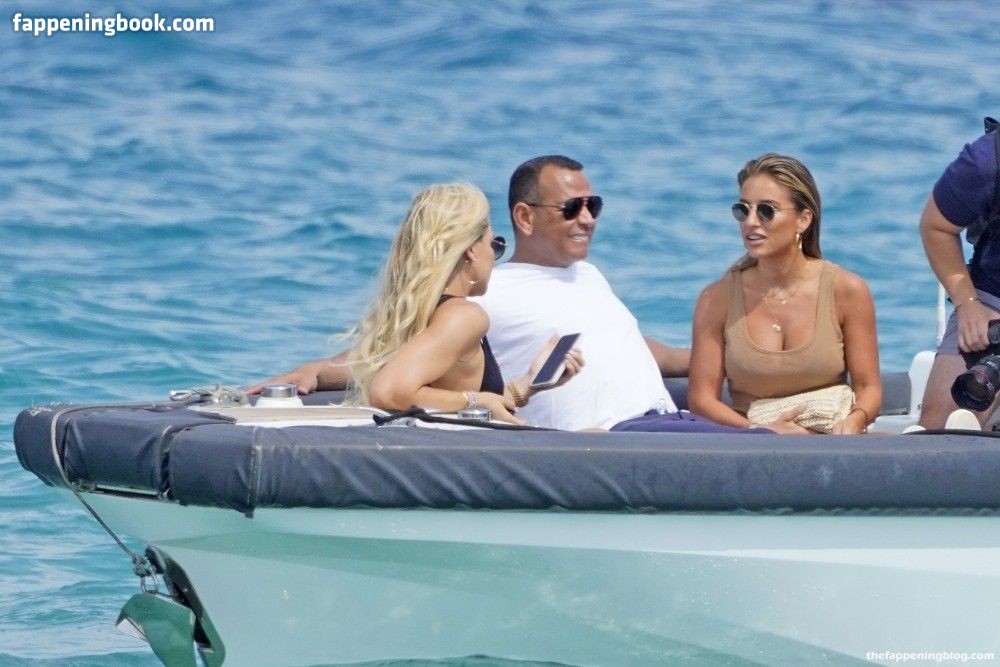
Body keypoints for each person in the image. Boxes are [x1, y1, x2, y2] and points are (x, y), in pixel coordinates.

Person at [472, 155, 764, 433]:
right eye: (572, 208)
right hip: (611, 436)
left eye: (593, 206)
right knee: (767, 443)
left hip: (664, 420)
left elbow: (623, 342)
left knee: (776, 435)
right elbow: (452, 376)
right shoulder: (489, 292)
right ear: (525, 217)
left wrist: (722, 358)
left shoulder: (587, 274)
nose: (588, 219)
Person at [264, 182, 583, 424]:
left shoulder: (418, 313)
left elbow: (387, 369)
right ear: (471, 251)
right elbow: (389, 391)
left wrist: (526, 385)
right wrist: (477, 401)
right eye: (494, 245)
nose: (494, 256)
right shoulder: (464, 316)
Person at [687, 153, 881, 434]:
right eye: (743, 210)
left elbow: (868, 388)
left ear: (803, 220)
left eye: (766, 210)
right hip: (751, 444)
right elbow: (702, 400)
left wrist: (855, 419)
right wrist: (761, 431)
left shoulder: (847, 291)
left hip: (829, 441)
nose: (750, 222)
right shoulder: (715, 299)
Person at [918, 119, 1000, 429]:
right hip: (992, 299)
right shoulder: (986, 162)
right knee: (942, 429)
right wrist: (967, 303)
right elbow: (935, 226)